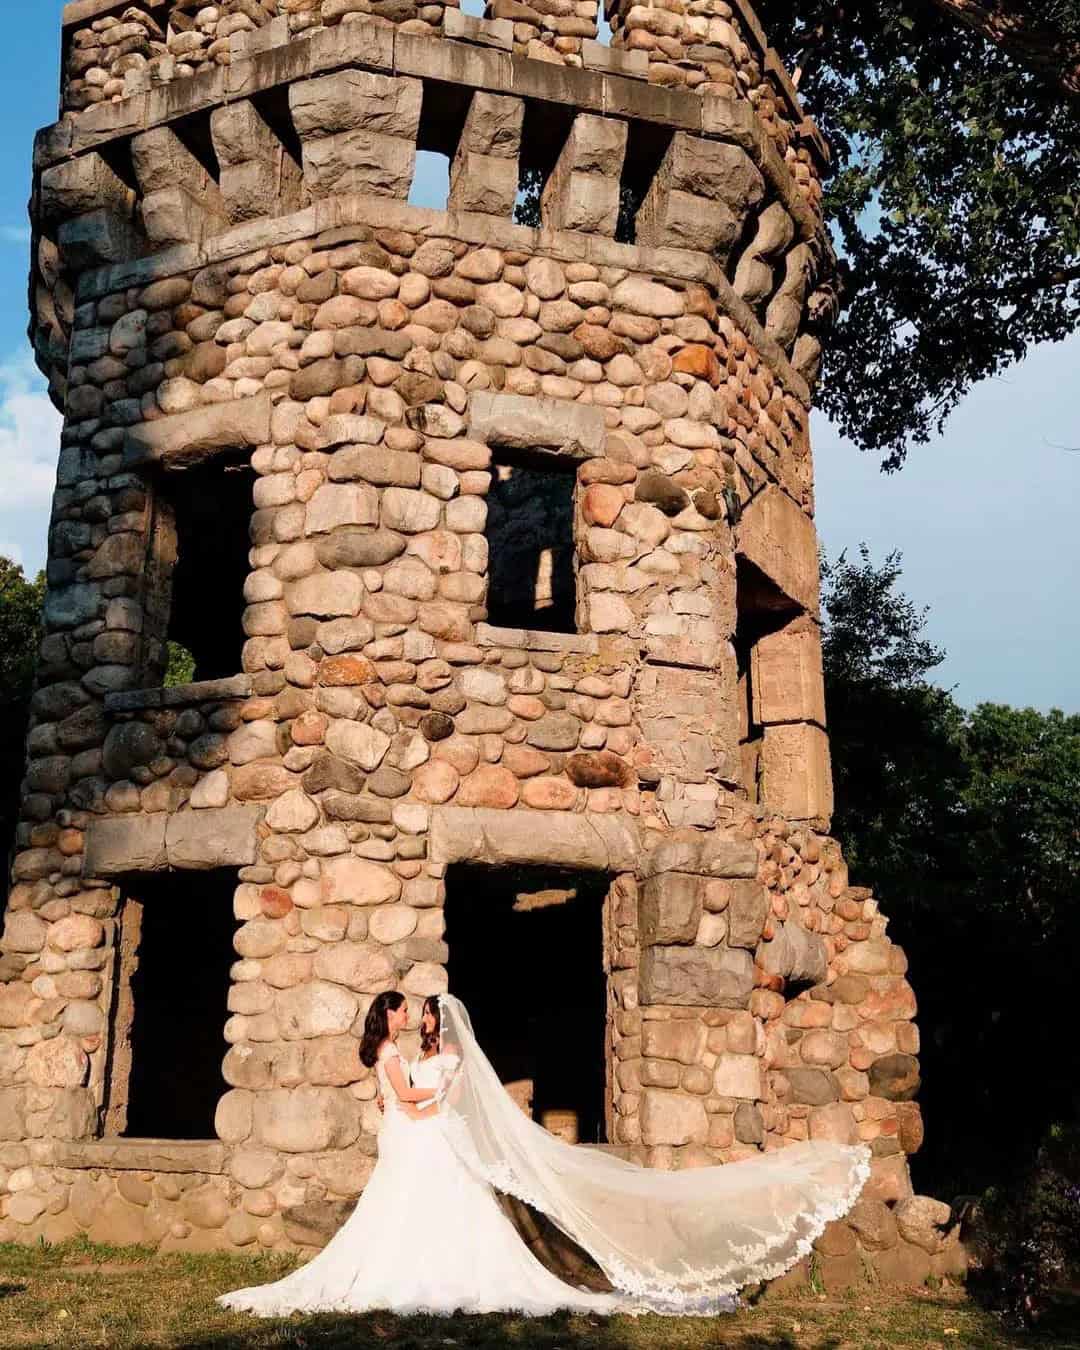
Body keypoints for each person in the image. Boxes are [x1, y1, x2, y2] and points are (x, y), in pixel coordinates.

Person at [219, 992, 870, 1318]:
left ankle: (441, 1275)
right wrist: (420, 1109)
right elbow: (409, 1100)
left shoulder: (442, 1058)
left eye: (422, 1015)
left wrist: (423, 1109)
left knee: (449, 1212)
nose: (416, 1021)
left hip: (427, 1140)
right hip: (418, 1143)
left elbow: (425, 1101)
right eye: (410, 1013)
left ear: (438, 1026)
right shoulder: (409, 1056)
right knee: (409, 1212)